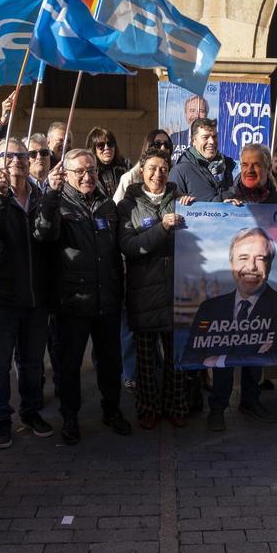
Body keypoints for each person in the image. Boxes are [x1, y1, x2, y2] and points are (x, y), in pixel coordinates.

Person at [197, 144, 277, 429]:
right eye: (245, 164)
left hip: (264, 292)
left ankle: (251, 400)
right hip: (230, 292)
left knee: (256, 347)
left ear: (267, 169)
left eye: (256, 165)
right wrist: (219, 212)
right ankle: (217, 407)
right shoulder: (225, 199)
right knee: (224, 352)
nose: (250, 170)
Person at [40, 148, 132, 444]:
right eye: (79, 171)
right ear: (65, 174)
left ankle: (112, 409)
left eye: (91, 170)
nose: (86, 176)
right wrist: (50, 197)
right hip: (72, 302)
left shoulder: (107, 205)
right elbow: (44, 234)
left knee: (110, 361)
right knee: (70, 365)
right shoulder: (58, 203)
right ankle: (70, 417)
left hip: (106, 299)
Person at [0, 137, 56, 450]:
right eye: (8, 156)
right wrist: (0, 195)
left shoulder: (39, 195)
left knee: (33, 363)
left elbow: (49, 236)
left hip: (36, 298)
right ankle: (0, 419)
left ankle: (31, 412)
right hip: (2, 299)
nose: (17, 161)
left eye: (22, 155)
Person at [117, 150, 193, 429]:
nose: (157, 174)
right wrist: (162, 228)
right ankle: (147, 408)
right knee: (146, 361)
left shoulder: (182, 202)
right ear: (141, 171)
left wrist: (198, 210)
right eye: (152, 168)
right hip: (144, 292)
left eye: (163, 169)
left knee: (176, 358)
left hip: (177, 291)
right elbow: (128, 246)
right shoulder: (128, 205)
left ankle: (176, 406)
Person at [169, 118, 235, 201]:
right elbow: (173, 207)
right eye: (205, 137)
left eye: (214, 136)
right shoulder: (179, 171)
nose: (212, 141)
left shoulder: (226, 167)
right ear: (194, 140)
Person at [114, 130, 175, 204]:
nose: (163, 148)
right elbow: (116, 207)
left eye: (167, 144)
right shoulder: (130, 178)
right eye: (157, 144)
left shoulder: (174, 175)